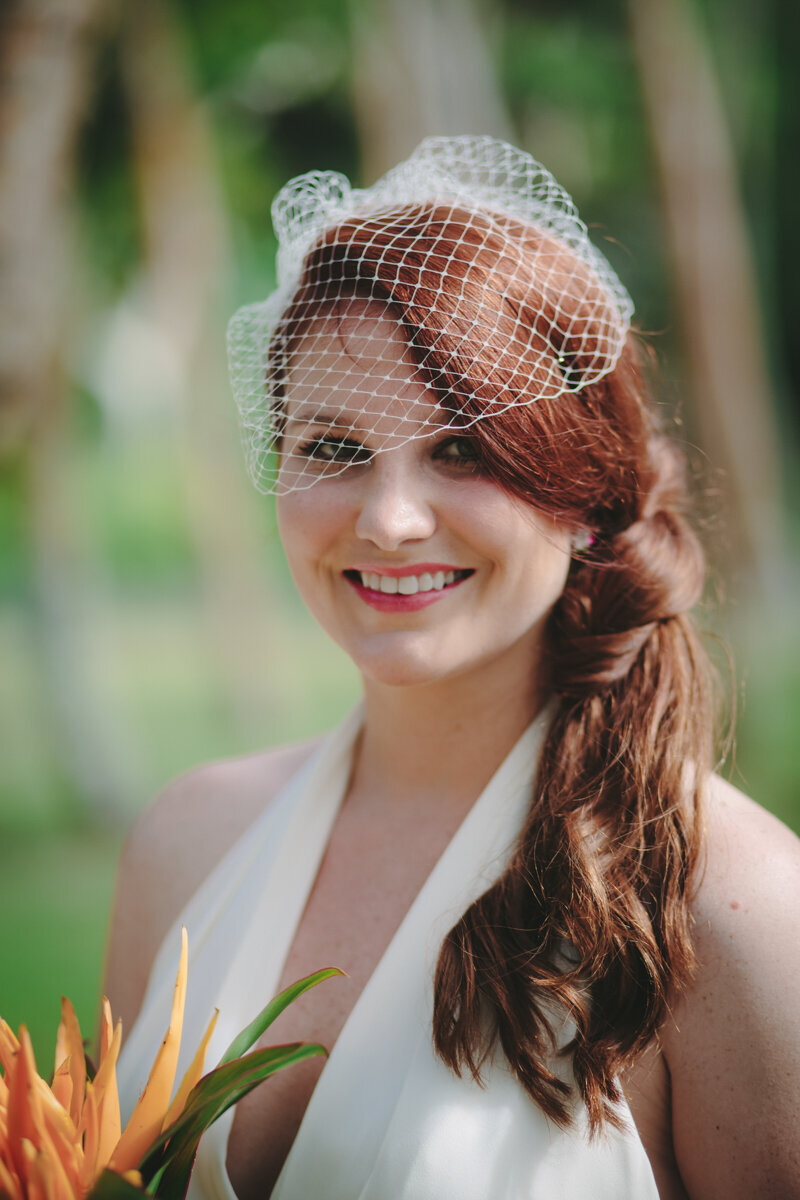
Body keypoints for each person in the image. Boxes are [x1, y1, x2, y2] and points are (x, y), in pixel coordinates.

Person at [105, 137, 800, 1200]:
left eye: (463, 449)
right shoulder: (186, 843)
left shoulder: (734, 909)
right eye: (332, 448)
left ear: (580, 496)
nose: (386, 521)